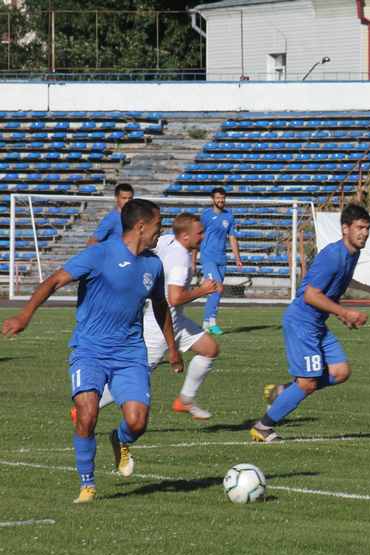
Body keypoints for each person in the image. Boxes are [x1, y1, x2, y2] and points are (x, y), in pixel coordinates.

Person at [2, 199, 182, 503]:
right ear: (141, 226)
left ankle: (120, 439)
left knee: (137, 422)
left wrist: (173, 348)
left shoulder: (153, 264)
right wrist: (24, 315)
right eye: (158, 225)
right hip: (90, 350)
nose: (160, 232)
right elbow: (54, 280)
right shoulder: (100, 253)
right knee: (86, 415)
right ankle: (87, 484)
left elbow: (161, 305)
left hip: (129, 353)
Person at [250, 204, 370, 443]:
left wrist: (337, 314)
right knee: (307, 383)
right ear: (345, 228)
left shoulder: (353, 254)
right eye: (360, 228)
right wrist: (344, 313)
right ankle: (263, 427)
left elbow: (328, 292)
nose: (364, 233)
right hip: (302, 322)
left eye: (367, 228)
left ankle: (284, 392)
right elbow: (310, 295)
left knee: (340, 371)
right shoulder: (332, 256)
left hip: (317, 323)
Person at [92, 213, 223, 420]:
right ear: (186, 237)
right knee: (138, 374)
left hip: (176, 320)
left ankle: (185, 400)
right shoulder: (180, 260)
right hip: (160, 323)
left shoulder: (167, 240)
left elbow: (143, 246)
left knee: (210, 349)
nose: (203, 236)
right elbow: (174, 298)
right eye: (200, 233)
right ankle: (90, 406)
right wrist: (203, 290)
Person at [198, 187, 242, 336]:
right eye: (218, 198)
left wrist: (237, 258)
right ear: (213, 199)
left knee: (214, 291)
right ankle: (212, 322)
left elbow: (232, 237)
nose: (220, 200)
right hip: (207, 257)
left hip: (221, 258)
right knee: (217, 288)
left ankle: (205, 323)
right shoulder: (206, 216)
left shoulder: (229, 216)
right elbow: (198, 235)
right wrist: (193, 256)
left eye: (223, 198)